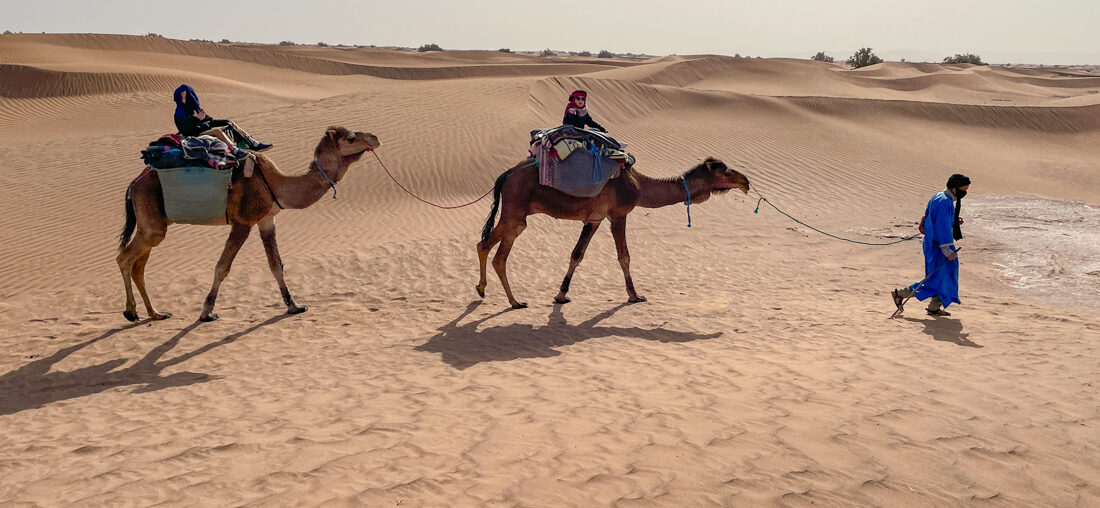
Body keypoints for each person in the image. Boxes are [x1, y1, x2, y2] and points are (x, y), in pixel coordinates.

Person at [892, 174, 971, 316]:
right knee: (938, 278)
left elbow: (936, 219)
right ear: (954, 188)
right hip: (938, 245)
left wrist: (952, 222)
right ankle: (901, 294)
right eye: (963, 189)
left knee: (943, 276)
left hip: (934, 243)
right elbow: (941, 227)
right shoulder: (944, 202)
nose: (964, 192)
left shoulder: (940, 196)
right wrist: (947, 249)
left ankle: (934, 307)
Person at [173, 84, 272, 152]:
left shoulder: (197, 109)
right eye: (183, 97)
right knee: (218, 132)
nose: (183, 99)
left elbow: (209, 121)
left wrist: (225, 121)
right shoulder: (179, 113)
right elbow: (187, 130)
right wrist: (197, 119)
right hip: (193, 136)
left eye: (186, 96)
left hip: (202, 131)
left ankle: (253, 143)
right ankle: (235, 150)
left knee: (229, 125)